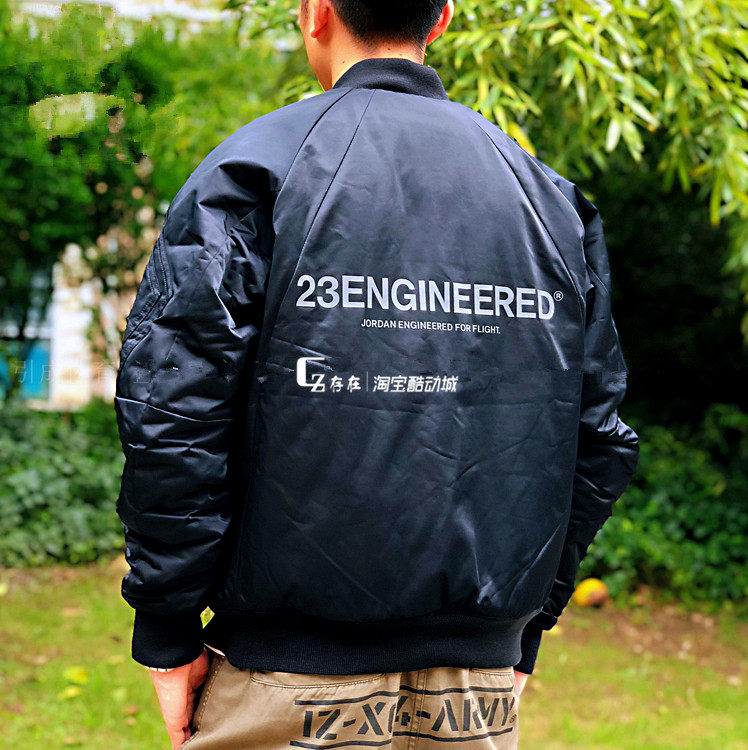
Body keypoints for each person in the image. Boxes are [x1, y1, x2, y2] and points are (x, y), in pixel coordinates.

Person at [114, 1, 639, 748]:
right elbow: (597, 433)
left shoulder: (254, 169)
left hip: (285, 677)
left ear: (315, 13)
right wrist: (525, 629)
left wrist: (167, 626)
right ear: (443, 17)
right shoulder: (547, 199)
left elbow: (174, 405)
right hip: (476, 693)